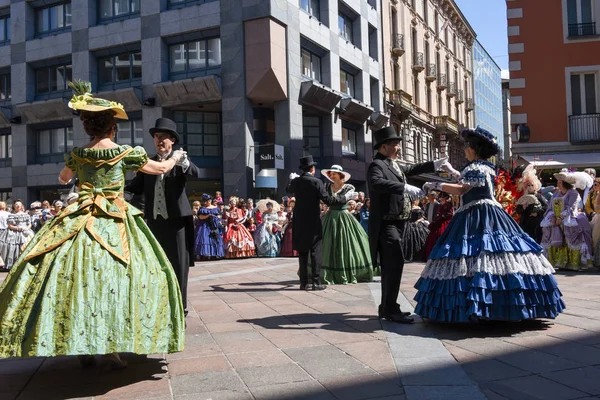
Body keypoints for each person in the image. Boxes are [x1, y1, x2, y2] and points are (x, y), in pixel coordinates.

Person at [0, 81, 185, 366]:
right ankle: (112, 343)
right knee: (135, 275)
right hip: (115, 216)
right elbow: (159, 168)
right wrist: (174, 157)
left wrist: (78, 175)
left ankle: (83, 343)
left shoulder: (78, 154)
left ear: (88, 127)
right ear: (112, 127)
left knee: (72, 278)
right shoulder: (125, 152)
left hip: (80, 216)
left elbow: (62, 179)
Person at [413, 126, 565, 322]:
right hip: (487, 212)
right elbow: (468, 183)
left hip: (476, 215)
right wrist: (451, 171)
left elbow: (462, 189)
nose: (465, 149)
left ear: (474, 149)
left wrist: (435, 185)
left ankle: (477, 305)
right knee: (495, 254)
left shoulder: (475, 168)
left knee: (474, 252)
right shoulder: (483, 167)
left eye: (467, 146)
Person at [368, 126, 448, 324]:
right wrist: (403, 186)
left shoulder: (392, 165)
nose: (398, 148)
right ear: (384, 147)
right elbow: (377, 183)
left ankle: (388, 307)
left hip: (399, 222)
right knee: (393, 264)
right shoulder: (376, 165)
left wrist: (434, 164)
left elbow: (412, 169)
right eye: (395, 145)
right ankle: (390, 308)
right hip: (387, 224)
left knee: (393, 266)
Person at [126, 117, 201, 317]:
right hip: (155, 222)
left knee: (179, 268)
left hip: (177, 223)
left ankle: (180, 310)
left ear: (172, 140)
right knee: (157, 266)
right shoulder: (148, 163)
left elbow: (195, 173)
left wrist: (184, 161)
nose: (160, 140)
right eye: (157, 136)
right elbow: (134, 187)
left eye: (164, 137)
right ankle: (161, 308)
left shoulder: (179, 160)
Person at [286, 156, 356, 290]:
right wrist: (345, 197)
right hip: (312, 221)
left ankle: (304, 283)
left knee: (302, 252)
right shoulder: (316, 182)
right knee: (315, 251)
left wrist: (291, 179)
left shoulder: (296, 182)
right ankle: (316, 282)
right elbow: (329, 201)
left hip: (299, 221)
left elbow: (288, 189)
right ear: (312, 169)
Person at [320, 165, 373, 285]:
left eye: (334, 174)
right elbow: (325, 200)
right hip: (330, 216)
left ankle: (349, 271)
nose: (332, 176)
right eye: (330, 174)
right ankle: (328, 272)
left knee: (347, 243)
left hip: (344, 216)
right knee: (328, 243)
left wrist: (333, 200)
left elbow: (344, 199)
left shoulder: (349, 187)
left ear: (341, 175)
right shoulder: (327, 186)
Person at [541, 171, 593, 271]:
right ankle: (559, 262)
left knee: (571, 238)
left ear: (565, 183)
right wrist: (552, 217)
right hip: (556, 221)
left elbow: (571, 207)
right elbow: (550, 207)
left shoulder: (573, 193)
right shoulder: (556, 194)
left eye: (560, 182)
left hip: (569, 218)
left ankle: (573, 263)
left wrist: (561, 218)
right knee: (553, 237)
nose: (558, 184)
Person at [515, 165, 547, 243]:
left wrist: (537, 213)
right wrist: (523, 207)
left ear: (535, 185)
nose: (530, 187)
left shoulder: (539, 196)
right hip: (525, 223)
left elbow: (546, 207)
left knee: (537, 241)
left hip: (536, 224)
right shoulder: (523, 198)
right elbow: (518, 210)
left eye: (532, 185)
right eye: (528, 185)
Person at [0, 200, 32, 271]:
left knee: (25, 247)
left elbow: (29, 223)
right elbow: (10, 225)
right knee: (11, 248)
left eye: (19, 205)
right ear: (14, 206)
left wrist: (26, 228)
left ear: (21, 206)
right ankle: (14, 264)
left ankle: (25, 263)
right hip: (13, 233)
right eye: (16, 204)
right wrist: (17, 228)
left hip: (25, 232)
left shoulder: (26, 215)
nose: (17, 206)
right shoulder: (11, 215)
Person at [422, 192, 454, 260]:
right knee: (433, 236)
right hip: (438, 221)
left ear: (445, 197)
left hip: (444, 222)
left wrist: (442, 216)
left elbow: (450, 214)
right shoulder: (440, 205)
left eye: (442, 196)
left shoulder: (448, 204)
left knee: (440, 235)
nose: (440, 197)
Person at [194, 194, 225, 260]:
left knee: (215, 239)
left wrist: (218, 220)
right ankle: (204, 254)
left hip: (214, 226)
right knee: (205, 239)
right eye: (205, 201)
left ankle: (215, 254)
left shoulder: (215, 208)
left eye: (208, 200)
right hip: (204, 226)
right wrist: (208, 216)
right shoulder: (202, 209)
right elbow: (200, 217)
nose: (207, 202)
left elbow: (219, 216)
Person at [0, 201, 8, 270]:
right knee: (5, 248)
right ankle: (3, 262)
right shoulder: (8, 214)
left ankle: (1, 262)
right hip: (6, 231)